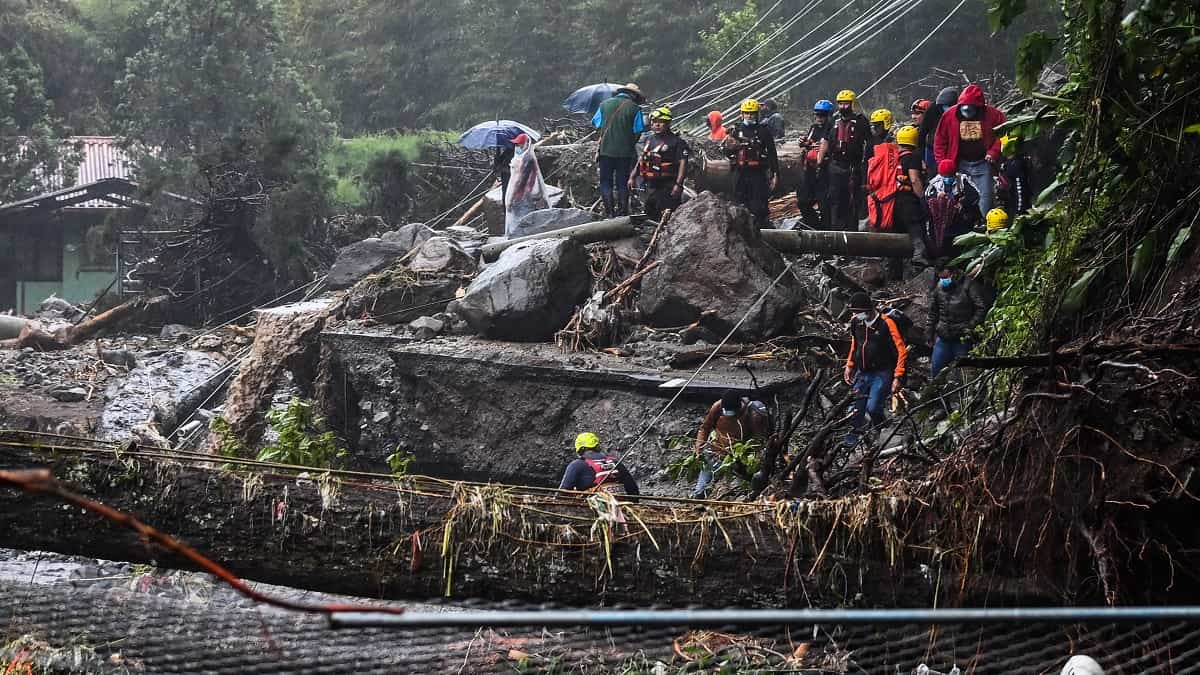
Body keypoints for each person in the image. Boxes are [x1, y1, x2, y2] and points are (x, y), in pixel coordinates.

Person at [843, 292, 908, 448]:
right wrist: (849, 365)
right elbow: (855, 345)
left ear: (867, 309)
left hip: (882, 371)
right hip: (863, 371)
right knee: (856, 406)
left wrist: (898, 376)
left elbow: (901, 350)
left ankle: (883, 429)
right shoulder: (855, 323)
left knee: (873, 407)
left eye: (857, 312)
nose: (855, 315)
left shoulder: (886, 323)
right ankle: (855, 435)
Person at [934, 83, 1006, 217]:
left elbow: (1004, 135)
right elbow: (940, 140)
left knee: (986, 196)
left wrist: (994, 152)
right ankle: (959, 226)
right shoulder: (949, 116)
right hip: (958, 163)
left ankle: (987, 222)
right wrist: (943, 164)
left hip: (983, 163)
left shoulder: (994, 115)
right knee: (956, 197)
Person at [691, 390, 772, 498]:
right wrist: (699, 449)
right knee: (700, 492)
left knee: (738, 492)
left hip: (738, 460)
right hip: (716, 453)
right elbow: (705, 429)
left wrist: (750, 459)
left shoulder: (753, 414)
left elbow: (758, 440)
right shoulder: (718, 407)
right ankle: (699, 501)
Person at [819, 89, 873, 231]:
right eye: (841, 104)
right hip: (836, 166)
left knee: (852, 201)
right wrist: (820, 161)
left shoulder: (861, 121)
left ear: (852, 104)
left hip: (853, 167)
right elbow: (825, 141)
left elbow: (869, 144)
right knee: (835, 200)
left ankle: (852, 232)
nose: (843, 107)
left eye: (846, 104)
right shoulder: (833, 121)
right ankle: (836, 232)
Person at [592, 83, 646, 217]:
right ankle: (623, 213)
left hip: (605, 151)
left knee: (605, 182)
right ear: (633, 95)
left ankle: (609, 213)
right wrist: (630, 142)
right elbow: (638, 130)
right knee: (622, 182)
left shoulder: (604, 105)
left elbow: (596, 123)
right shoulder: (635, 109)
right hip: (625, 153)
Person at [723, 98, 779, 228]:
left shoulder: (763, 131)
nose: (749, 116)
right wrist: (731, 147)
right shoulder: (735, 130)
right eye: (747, 113)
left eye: (752, 113)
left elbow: (772, 153)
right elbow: (726, 152)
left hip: (758, 173)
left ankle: (762, 229)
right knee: (740, 203)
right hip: (740, 172)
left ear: (757, 114)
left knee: (759, 206)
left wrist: (775, 174)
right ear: (742, 114)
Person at [927, 264, 988, 378]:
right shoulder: (939, 287)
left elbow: (981, 307)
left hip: (962, 338)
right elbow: (933, 312)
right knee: (935, 372)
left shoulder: (969, 285)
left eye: (945, 277)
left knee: (966, 374)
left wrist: (969, 326)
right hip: (943, 336)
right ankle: (937, 395)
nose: (943, 280)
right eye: (941, 278)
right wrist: (929, 333)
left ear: (953, 273)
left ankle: (966, 394)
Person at [631, 106, 689, 222]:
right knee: (650, 210)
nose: (657, 125)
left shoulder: (677, 142)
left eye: (661, 122)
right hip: (651, 184)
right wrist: (632, 176)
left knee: (667, 214)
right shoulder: (650, 139)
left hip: (668, 185)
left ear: (668, 123)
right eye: (654, 122)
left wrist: (678, 184)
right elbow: (643, 158)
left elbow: (683, 163)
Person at [925, 159, 981, 259]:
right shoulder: (934, 183)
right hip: (941, 224)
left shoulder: (963, 180)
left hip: (960, 221)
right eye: (945, 176)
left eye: (949, 176)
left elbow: (975, 195)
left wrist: (962, 203)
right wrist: (939, 198)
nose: (947, 179)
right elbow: (927, 199)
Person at [894, 125, 931, 267]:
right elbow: (914, 179)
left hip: (893, 200)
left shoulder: (895, 157)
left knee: (898, 231)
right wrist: (922, 198)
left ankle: (894, 269)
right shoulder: (913, 157)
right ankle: (918, 255)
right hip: (908, 200)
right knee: (915, 228)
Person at [559, 432, 640, 495]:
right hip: (622, 505)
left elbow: (563, 492)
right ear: (597, 446)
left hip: (594, 508)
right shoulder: (615, 462)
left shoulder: (576, 465)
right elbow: (633, 489)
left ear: (580, 449)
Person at [796, 99, 834, 229]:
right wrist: (805, 142)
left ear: (829, 115)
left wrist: (824, 148)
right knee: (803, 201)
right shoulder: (813, 128)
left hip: (825, 171)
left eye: (822, 115)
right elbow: (809, 143)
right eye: (817, 115)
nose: (819, 118)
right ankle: (814, 226)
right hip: (810, 170)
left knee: (824, 204)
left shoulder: (833, 129)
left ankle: (826, 231)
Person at [918, 87, 958, 177]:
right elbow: (922, 133)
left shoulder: (959, 111)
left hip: (951, 149)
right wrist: (921, 158)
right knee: (934, 174)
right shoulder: (932, 110)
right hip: (932, 148)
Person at [999, 135, 1031, 216]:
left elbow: (1020, 189)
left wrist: (1020, 210)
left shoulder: (1016, 165)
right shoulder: (1006, 164)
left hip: (1019, 207)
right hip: (1010, 204)